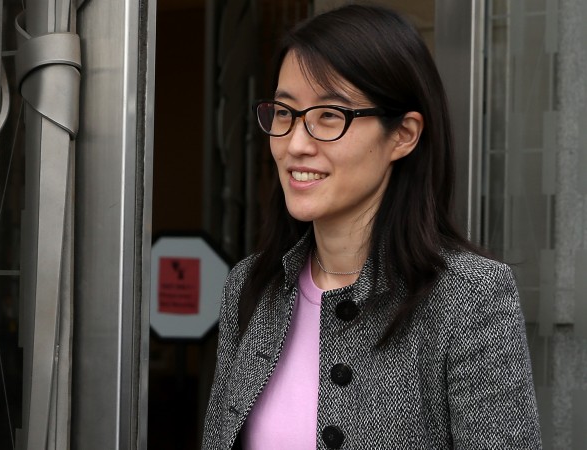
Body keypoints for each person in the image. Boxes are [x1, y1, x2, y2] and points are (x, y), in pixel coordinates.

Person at [202, 4, 541, 449]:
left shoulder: (469, 297)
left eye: (329, 115)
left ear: (403, 135)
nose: (296, 144)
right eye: (284, 113)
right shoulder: (250, 286)